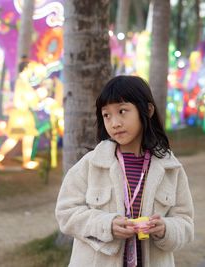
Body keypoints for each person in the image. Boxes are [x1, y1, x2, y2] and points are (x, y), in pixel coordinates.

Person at [55, 75, 194, 267]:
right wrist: (107, 225)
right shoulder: (91, 164)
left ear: (147, 110)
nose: (115, 123)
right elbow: (66, 213)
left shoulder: (170, 168)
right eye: (107, 115)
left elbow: (185, 223)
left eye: (122, 111)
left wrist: (165, 228)